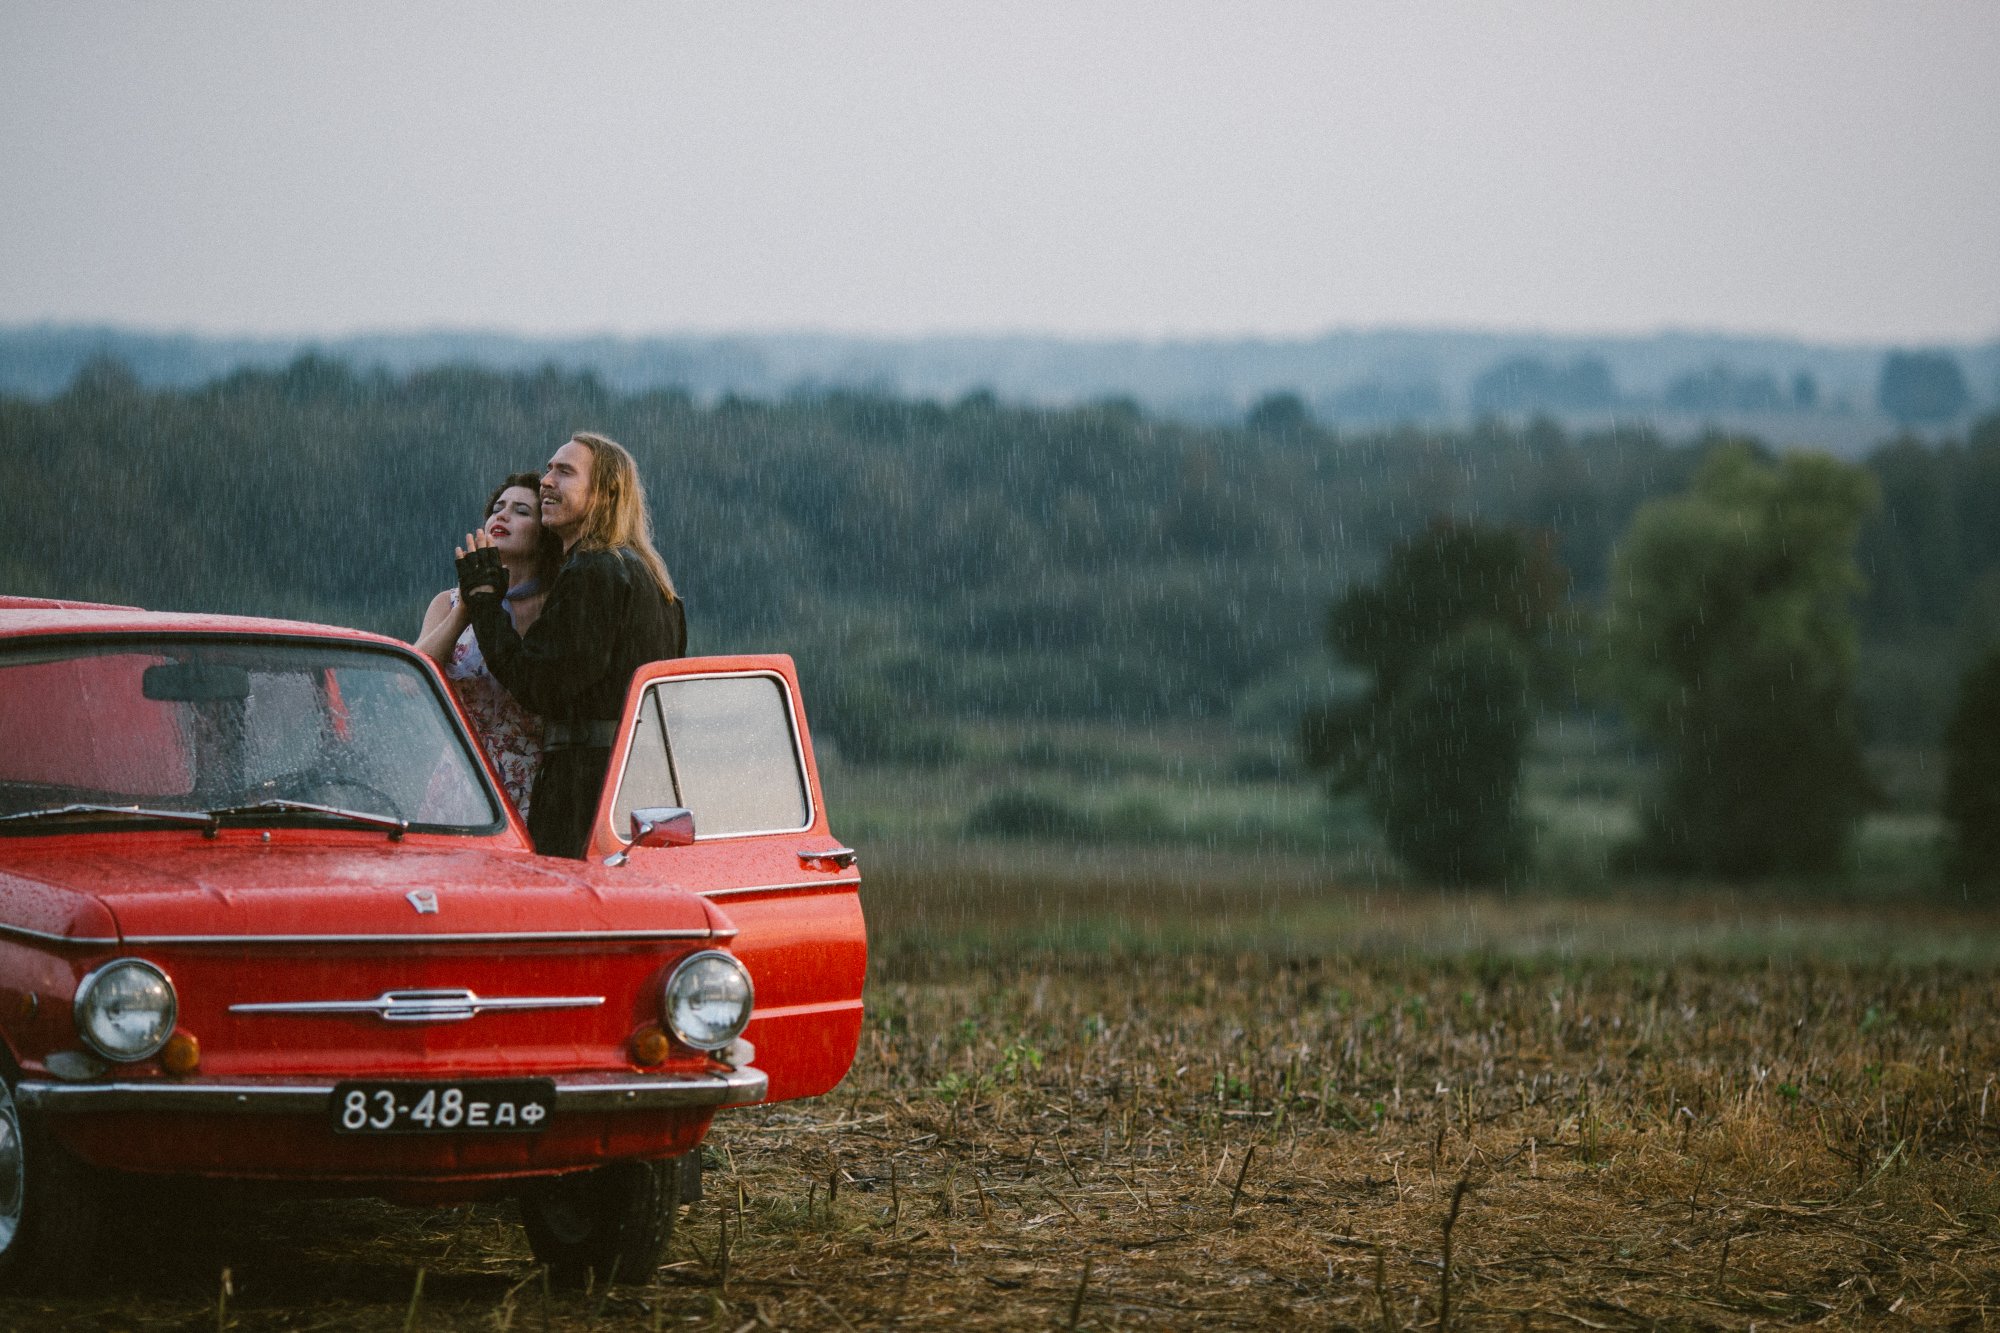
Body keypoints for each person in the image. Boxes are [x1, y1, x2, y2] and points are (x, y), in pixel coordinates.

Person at [456, 432, 686, 858]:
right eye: (548, 469)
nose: (546, 480)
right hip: (641, 783)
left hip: (584, 787)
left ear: (603, 493)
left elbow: (539, 684)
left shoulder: (593, 571)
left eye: (564, 472)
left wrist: (484, 598)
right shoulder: (655, 582)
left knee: (560, 912)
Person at [415, 472, 562, 818]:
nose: (503, 515)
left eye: (521, 511)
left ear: (544, 534)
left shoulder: (556, 605)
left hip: (534, 785)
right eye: (498, 507)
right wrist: (467, 608)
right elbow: (411, 683)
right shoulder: (447, 603)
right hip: (460, 778)